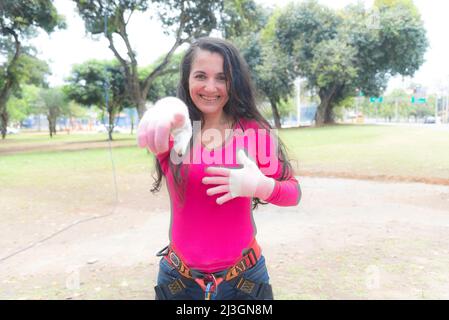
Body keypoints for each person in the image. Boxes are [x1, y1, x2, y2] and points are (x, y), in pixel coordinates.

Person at [137, 37, 301, 300]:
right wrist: (165, 108)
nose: (210, 87)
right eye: (200, 76)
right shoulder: (175, 132)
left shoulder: (253, 132)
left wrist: (261, 186)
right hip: (179, 282)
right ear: (187, 80)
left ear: (233, 81)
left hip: (244, 281)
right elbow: (150, 133)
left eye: (222, 78)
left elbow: (293, 192)